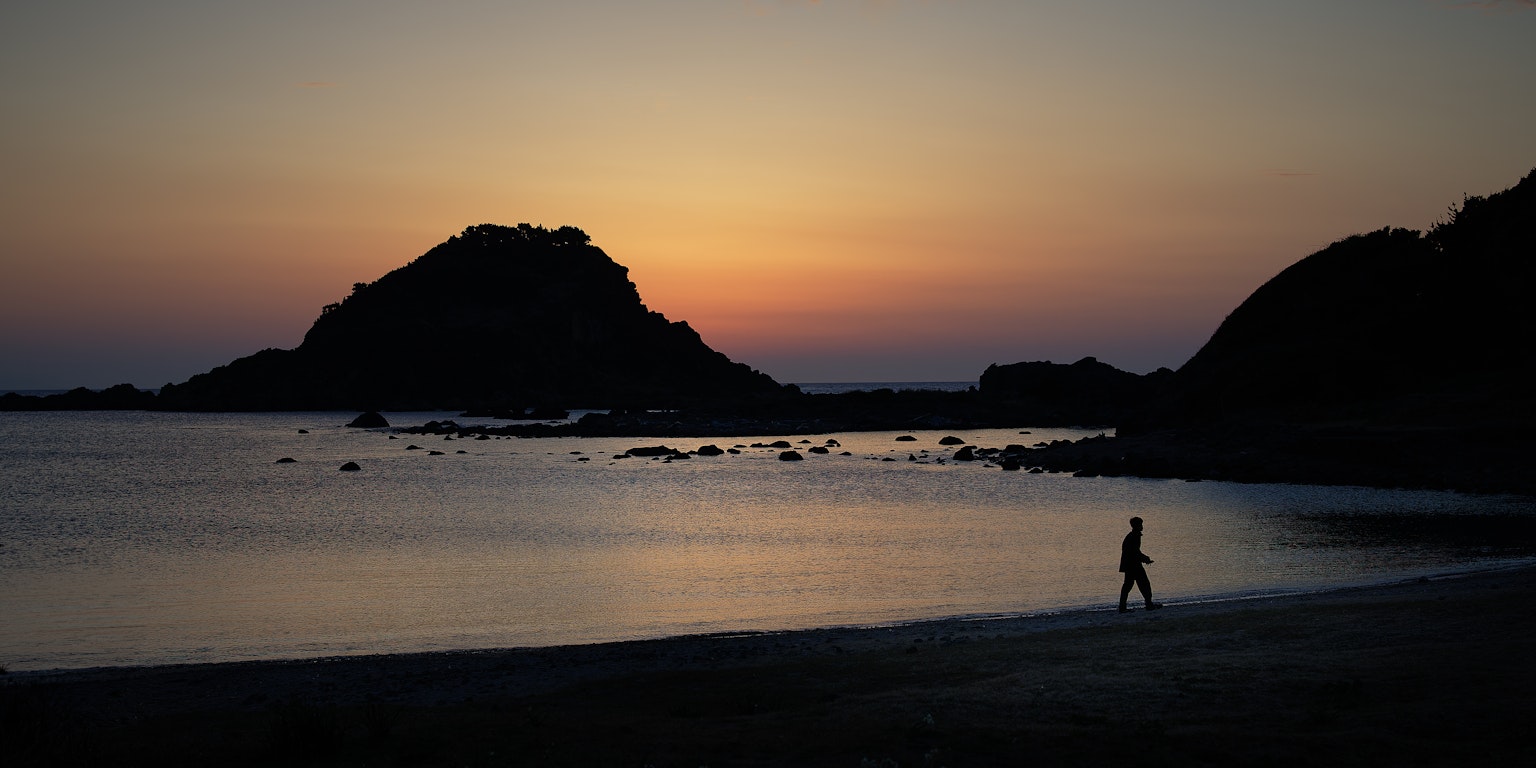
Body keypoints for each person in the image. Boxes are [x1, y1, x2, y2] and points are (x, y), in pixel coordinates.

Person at [1118, 516, 1162, 613]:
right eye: (1141, 524)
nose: (1142, 526)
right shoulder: (1134, 536)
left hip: (1131, 564)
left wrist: (1144, 559)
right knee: (1143, 584)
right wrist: (1145, 559)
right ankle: (1148, 605)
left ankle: (1122, 607)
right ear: (1137, 526)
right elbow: (1135, 552)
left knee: (1129, 585)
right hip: (1133, 565)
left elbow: (1135, 552)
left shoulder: (1133, 535)